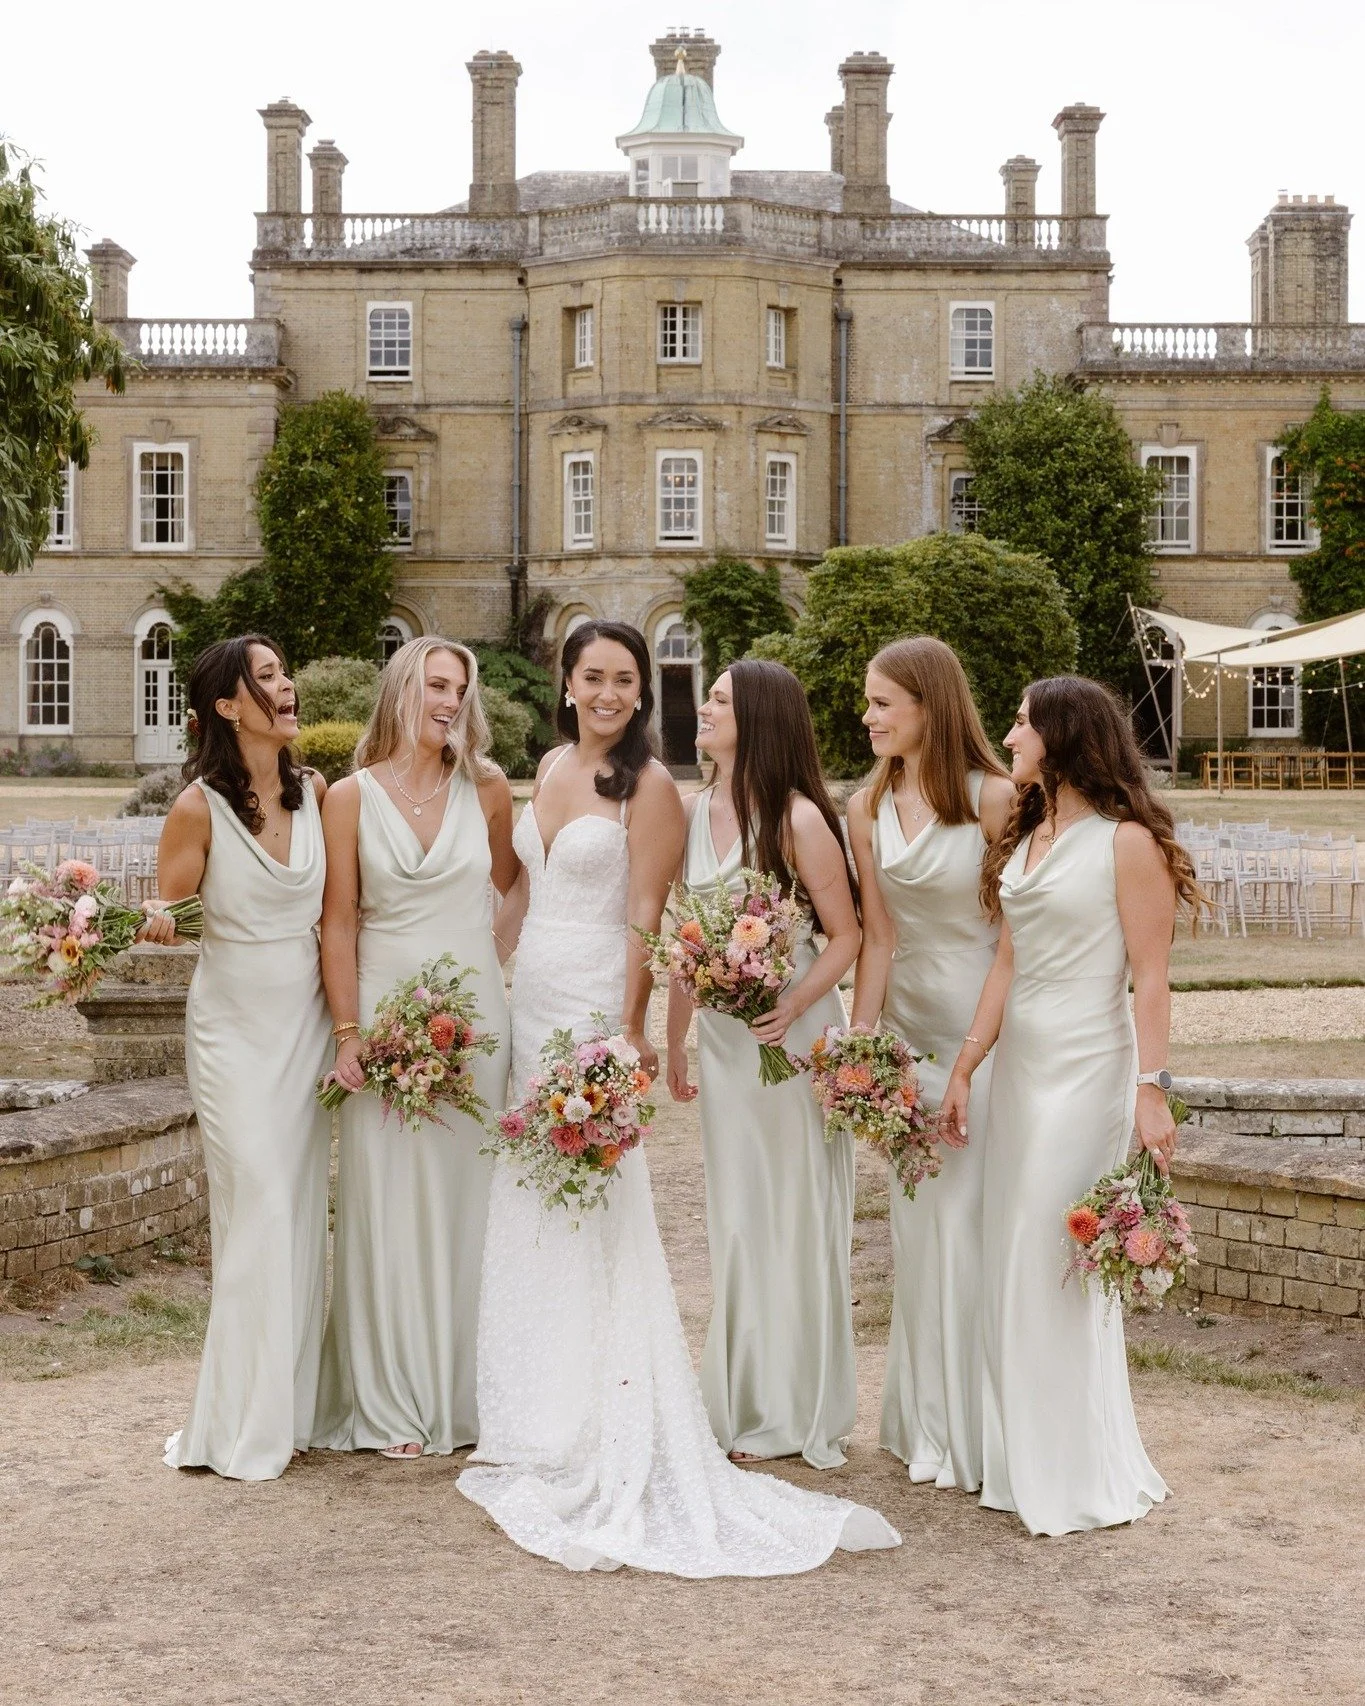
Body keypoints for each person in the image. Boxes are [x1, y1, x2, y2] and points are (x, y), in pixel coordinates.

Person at [457, 621, 900, 1575]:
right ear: (566, 684)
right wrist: (472, 979)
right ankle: (534, 1400)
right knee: (532, 1197)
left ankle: (629, 1403)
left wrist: (631, 1030)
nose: (613, 692)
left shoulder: (655, 790)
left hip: (594, 1006)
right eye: (595, 676)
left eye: (627, 678)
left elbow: (650, 920)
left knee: (608, 1197)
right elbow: (522, 894)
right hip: (531, 996)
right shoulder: (555, 765)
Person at [939, 676, 1199, 1536]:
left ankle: (1068, 1468)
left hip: (1088, 1065)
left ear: (1060, 734)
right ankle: (1022, 1457)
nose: (1007, 734)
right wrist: (967, 1064)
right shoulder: (1028, 834)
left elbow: (1150, 976)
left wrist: (1151, 1090)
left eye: (1019, 722)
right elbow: (1006, 965)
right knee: (1006, 1248)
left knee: (1048, 1252)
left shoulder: (1125, 843)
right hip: (1022, 1067)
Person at [311, 638, 517, 1460]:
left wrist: (485, 965)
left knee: (472, 1208)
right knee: (386, 1204)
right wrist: (350, 1031)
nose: (450, 701)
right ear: (403, 689)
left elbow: (512, 884)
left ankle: (466, 1397)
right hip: (384, 1013)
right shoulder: (350, 797)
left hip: (476, 1026)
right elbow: (336, 920)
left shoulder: (490, 788)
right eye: (436, 685)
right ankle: (391, 1401)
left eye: (460, 689)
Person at [144, 635, 331, 1481]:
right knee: (258, 1206)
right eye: (267, 678)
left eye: (283, 674)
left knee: (293, 1211)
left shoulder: (318, 793)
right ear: (228, 705)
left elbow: (342, 920)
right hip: (231, 1033)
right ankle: (238, 1422)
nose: (286, 687)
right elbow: (177, 919)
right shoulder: (196, 808)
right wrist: (139, 921)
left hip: (307, 1028)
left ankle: (286, 1408)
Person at [668, 659, 861, 1469]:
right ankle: (741, 1397)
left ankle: (792, 1407)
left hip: (790, 1036)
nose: (703, 708)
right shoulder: (690, 810)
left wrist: (791, 1003)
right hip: (721, 1043)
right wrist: (677, 1034)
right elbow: (682, 941)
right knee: (739, 1217)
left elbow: (845, 934)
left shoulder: (797, 819)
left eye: (718, 699)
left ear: (759, 716)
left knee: (790, 1212)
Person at [846, 637, 1013, 1493]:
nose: (866, 716)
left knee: (968, 1226)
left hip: (983, 1034)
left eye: (880, 703)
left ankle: (981, 1432)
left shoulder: (994, 798)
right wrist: (861, 1049)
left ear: (927, 705)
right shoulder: (863, 806)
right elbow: (878, 935)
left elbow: (1017, 937)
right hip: (906, 1035)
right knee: (919, 1230)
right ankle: (923, 1424)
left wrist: (978, 1051)